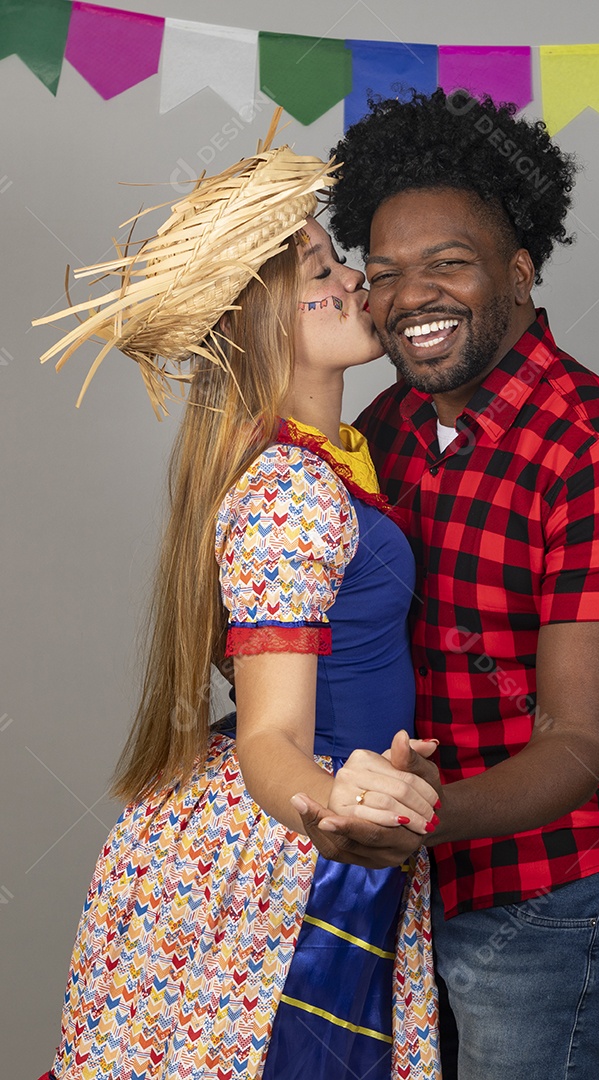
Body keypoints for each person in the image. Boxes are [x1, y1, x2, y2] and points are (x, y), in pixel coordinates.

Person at [290, 89, 599, 1080]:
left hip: (567, 875)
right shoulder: (385, 430)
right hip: (427, 859)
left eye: (449, 265)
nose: (409, 298)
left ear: (519, 274)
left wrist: (418, 816)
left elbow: (578, 743)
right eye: (384, 274)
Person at [33, 118, 442, 1080]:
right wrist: (333, 808)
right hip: (302, 857)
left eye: (341, 260)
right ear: (264, 324)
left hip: (333, 822)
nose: (353, 283)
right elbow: (268, 739)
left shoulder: (322, 460)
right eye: (319, 278)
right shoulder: (292, 491)